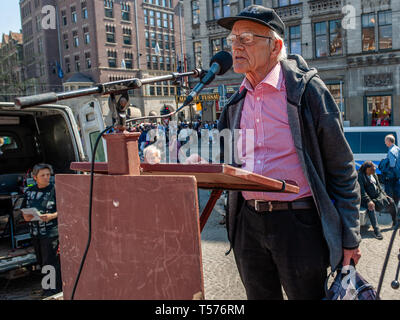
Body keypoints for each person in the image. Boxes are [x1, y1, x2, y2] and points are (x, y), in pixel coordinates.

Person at [214, 5, 361, 300]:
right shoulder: (234, 103)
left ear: (275, 46)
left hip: (299, 224)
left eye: (246, 39)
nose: (235, 47)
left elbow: (342, 168)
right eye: (232, 40)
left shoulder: (308, 92)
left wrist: (350, 237)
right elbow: (228, 162)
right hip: (249, 225)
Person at [21, 163, 62, 297]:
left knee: (49, 263)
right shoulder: (29, 192)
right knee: (41, 262)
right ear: (34, 177)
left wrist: (52, 216)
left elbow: (67, 209)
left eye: (48, 175)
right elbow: (23, 211)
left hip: (51, 233)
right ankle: (48, 288)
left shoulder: (56, 189)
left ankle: (50, 291)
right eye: (42, 175)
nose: (46, 178)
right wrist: (26, 216)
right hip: (35, 233)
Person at [358, 161, 398, 239]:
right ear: (367, 169)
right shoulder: (360, 176)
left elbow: (379, 187)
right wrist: (369, 200)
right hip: (366, 199)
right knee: (371, 207)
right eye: (372, 169)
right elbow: (362, 192)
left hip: (378, 196)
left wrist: (385, 195)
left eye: (374, 168)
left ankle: (395, 221)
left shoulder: (374, 174)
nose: (374, 170)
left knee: (391, 201)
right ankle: (376, 231)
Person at [384, 134, 400, 207]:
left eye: (385, 141)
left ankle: (390, 207)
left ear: (389, 141)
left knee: (389, 192)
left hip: (391, 175)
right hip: (398, 175)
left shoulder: (390, 151)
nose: (385, 143)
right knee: (397, 192)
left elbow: (392, 164)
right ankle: (396, 206)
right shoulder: (398, 148)